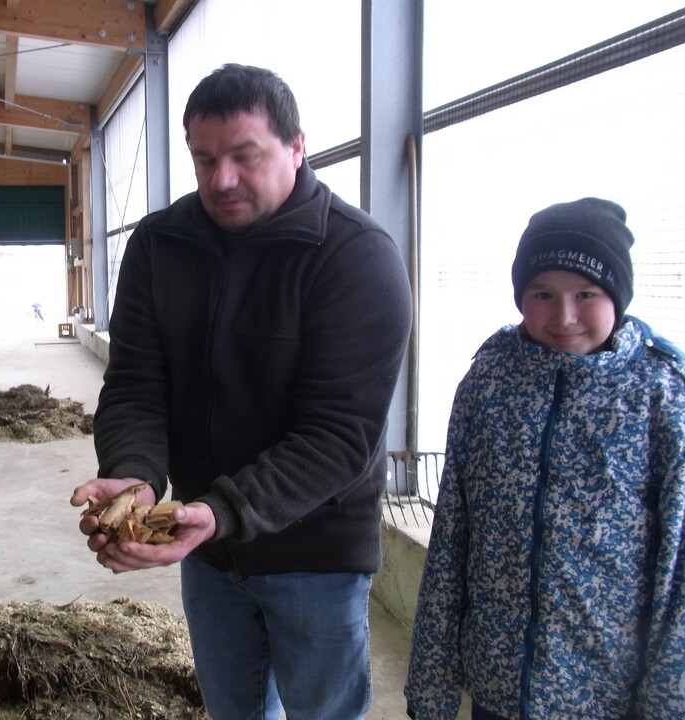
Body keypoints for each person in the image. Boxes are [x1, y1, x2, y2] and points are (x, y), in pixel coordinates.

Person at [70, 63, 412, 720]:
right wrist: (136, 475)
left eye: (243, 156)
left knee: (323, 710)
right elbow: (138, 384)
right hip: (210, 552)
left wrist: (221, 510)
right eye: (203, 159)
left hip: (316, 553)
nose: (220, 179)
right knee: (234, 709)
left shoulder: (355, 256)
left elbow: (338, 436)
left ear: (296, 147)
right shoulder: (160, 245)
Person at [404, 198, 685, 720]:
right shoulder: (488, 384)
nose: (564, 317)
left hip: (608, 696)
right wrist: (432, 689)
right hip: (496, 689)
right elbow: (453, 538)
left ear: (618, 296)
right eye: (543, 294)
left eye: (586, 294)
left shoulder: (664, 399)